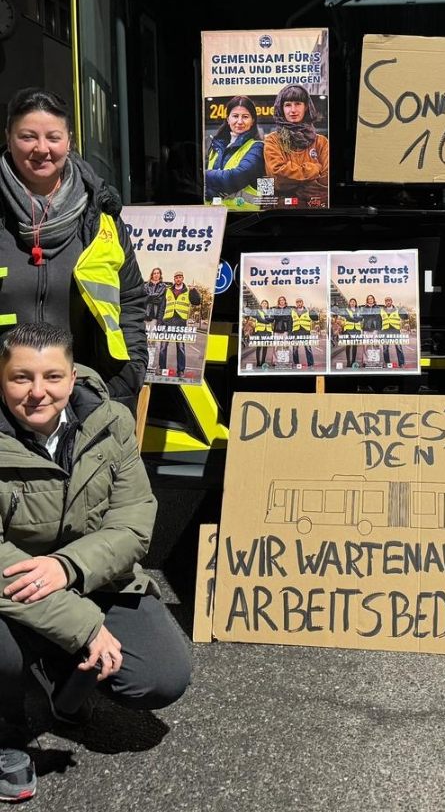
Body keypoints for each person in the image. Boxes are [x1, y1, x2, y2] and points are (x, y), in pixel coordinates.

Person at [0, 323, 191, 803]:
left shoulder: (111, 421)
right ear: (1, 378)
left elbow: (132, 523)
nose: (38, 392)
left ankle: (62, 689)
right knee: (3, 657)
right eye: (21, 377)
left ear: (72, 375)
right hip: (12, 582)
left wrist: (67, 568)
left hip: (91, 574)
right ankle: (6, 735)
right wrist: (83, 625)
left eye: (52, 376)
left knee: (162, 676)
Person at [0, 88, 147, 415]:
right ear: (8, 138)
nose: (41, 149)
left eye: (53, 137)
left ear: (70, 141)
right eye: (27, 137)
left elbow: (132, 296)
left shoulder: (100, 216)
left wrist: (129, 373)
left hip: (87, 397)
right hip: (5, 402)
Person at [263, 85, 329, 207]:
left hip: (314, 211)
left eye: (298, 103)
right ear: (281, 108)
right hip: (281, 211)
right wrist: (314, 168)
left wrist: (293, 187)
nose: (293, 110)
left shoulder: (321, 142)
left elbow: (326, 181)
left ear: (306, 107)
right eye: (288, 105)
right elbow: (277, 176)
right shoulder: (272, 140)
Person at [205, 96, 264, 208]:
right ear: (228, 119)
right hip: (214, 214)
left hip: (245, 217)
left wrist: (204, 175)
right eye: (235, 116)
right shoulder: (216, 146)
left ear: (253, 121)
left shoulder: (257, 147)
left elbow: (233, 179)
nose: (240, 121)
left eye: (245, 117)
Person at [157, 271, 201, 378]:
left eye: (180, 277)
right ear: (174, 279)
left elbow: (196, 302)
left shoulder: (187, 291)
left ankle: (180, 371)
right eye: (176, 277)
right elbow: (162, 307)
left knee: (180, 347)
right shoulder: (168, 291)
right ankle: (162, 369)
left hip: (180, 323)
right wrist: (159, 322)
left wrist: (194, 290)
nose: (178, 279)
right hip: (167, 322)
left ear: (182, 278)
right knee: (163, 347)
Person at [380, 296, 408, 368]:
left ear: (391, 301)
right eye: (386, 301)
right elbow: (379, 321)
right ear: (385, 302)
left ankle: (401, 363)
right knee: (385, 348)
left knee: (398, 347)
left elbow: (405, 317)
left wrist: (404, 311)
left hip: (395, 330)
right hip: (385, 331)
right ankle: (387, 363)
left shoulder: (397, 309)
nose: (388, 302)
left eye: (389, 300)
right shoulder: (382, 310)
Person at [291, 297, 318, 369]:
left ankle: (310, 364)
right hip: (296, 332)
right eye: (297, 302)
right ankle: (296, 363)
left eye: (300, 302)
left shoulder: (307, 310)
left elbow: (316, 318)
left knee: (308, 348)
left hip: (305, 332)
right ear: (296, 304)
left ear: (302, 303)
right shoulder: (293, 311)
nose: (299, 303)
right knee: (295, 349)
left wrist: (312, 311)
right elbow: (290, 322)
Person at [339, 298, 362, 368]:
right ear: (349, 303)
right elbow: (348, 317)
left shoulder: (359, 310)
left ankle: (353, 362)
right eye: (351, 302)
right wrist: (355, 319)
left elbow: (360, 318)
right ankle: (348, 362)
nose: (352, 303)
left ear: (356, 303)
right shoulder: (346, 310)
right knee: (348, 346)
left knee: (355, 346)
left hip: (357, 330)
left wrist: (355, 319)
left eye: (354, 302)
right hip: (348, 329)